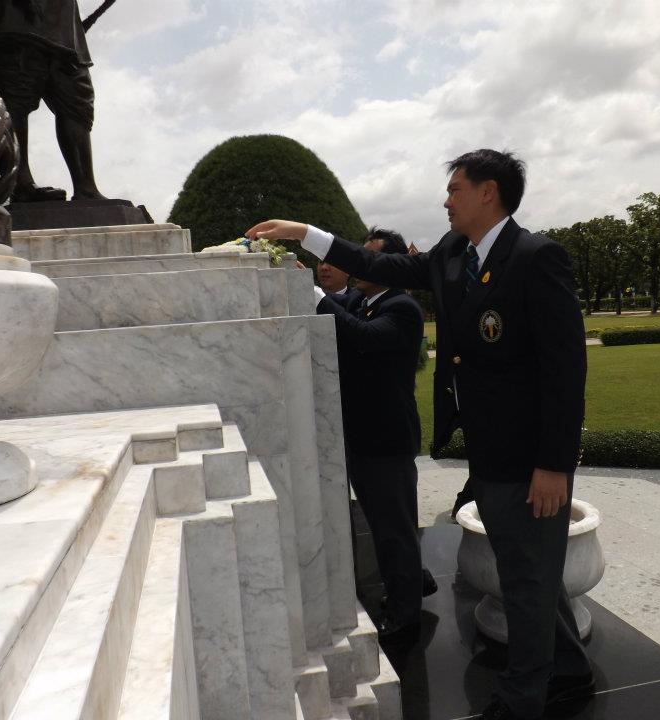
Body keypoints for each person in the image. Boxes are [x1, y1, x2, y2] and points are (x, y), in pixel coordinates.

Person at [247, 149, 593, 720]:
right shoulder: (455, 253)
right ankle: (571, 672)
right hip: (491, 452)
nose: (446, 199)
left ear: (489, 193)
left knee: (527, 582)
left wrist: (554, 465)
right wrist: (307, 234)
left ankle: (523, 698)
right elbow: (381, 266)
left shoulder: (535, 257)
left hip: (531, 458)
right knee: (530, 571)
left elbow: (565, 369)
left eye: (456, 188)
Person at [315, 227, 434, 637]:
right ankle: (417, 581)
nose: (360, 266)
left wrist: (317, 297)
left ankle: (404, 616)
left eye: (371, 259)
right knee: (388, 521)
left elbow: (360, 336)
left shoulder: (402, 308)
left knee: (392, 531)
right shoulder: (362, 300)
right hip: (364, 436)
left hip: (387, 439)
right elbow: (336, 302)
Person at [0, 0, 106, 202]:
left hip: (64, 28)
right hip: (16, 18)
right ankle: (20, 182)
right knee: (17, 98)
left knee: (77, 102)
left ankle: (86, 188)